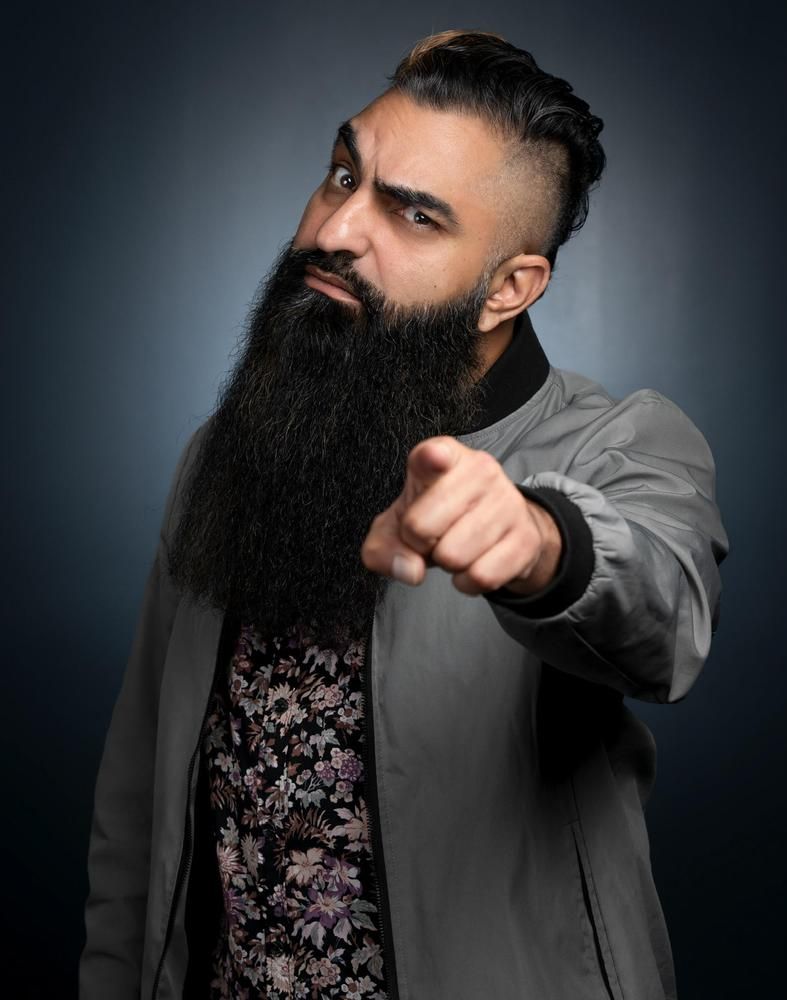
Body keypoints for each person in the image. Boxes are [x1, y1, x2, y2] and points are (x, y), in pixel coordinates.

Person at [78, 28, 730, 1000]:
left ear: (507, 288)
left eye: (414, 215)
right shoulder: (224, 450)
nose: (337, 230)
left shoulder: (617, 442)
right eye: (344, 175)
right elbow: (140, 796)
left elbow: (664, 609)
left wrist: (539, 545)